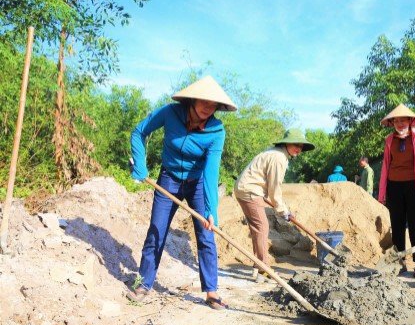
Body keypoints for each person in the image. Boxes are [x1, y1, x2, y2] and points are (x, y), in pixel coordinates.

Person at [128, 75, 237, 310]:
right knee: (157, 230)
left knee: (206, 234)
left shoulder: (217, 131)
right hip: (168, 179)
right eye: (204, 101)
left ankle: (211, 291)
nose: (209, 108)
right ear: (192, 100)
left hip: (197, 182)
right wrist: (140, 164)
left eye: (214, 104)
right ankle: (143, 283)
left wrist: (210, 209)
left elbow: (211, 171)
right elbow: (139, 132)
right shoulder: (170, 113)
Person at [234, 128, 315, 283]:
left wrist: (281, 208)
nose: (298, 149)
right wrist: (283, 210)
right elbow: (274, 187)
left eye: (301, 146)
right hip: (250, 190)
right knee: (262, 228)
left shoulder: (277, 154)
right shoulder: (279, 158)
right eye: (295, 144)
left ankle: (257, 267)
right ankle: (264, 271)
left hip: (247, 189)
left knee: (258, 229)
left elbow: (270, 186)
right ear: (287, 143)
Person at [378, 104, 415, 277]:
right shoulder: (389, 140)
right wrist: (382, 192)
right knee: (397, 224)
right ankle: (400, 260)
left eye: (403, 120)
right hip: (394, 186)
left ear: (410, 121)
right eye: (396, 121)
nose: (400, 123)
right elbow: (385, 165)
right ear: (392, 123)